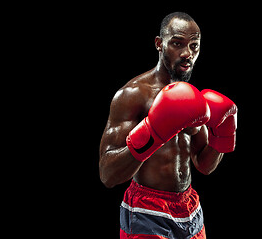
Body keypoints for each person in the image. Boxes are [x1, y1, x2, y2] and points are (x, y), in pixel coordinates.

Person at [99, 12, 238, 239]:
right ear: (159, 44)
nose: (187, 54)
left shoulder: (192, 99)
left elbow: (204, 165)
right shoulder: (133, 95)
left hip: (189, 208)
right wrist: (152, 132)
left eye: (194, 46)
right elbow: (107, 174)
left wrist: (222, 134)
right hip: (147, 210)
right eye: (177, 43)